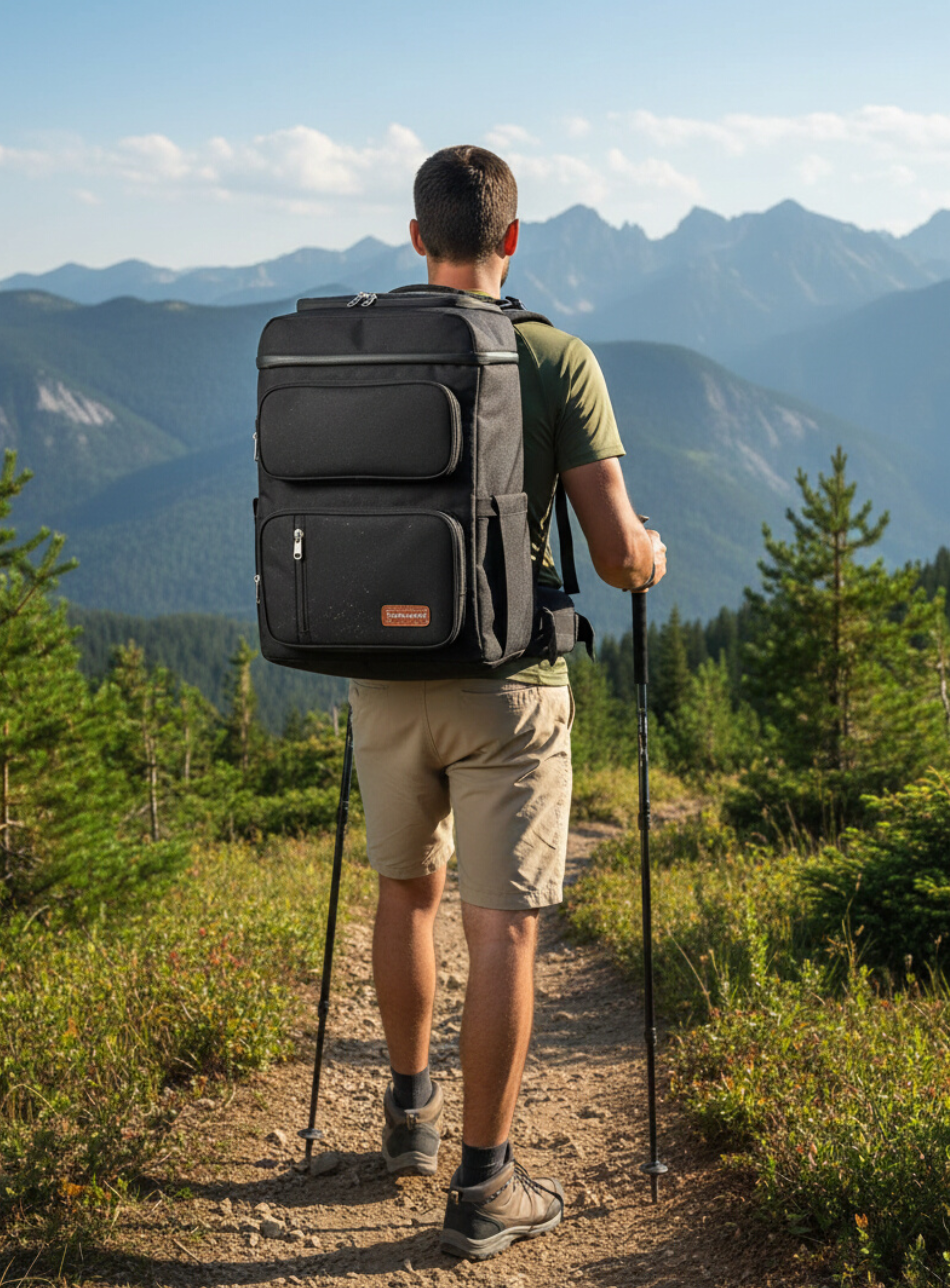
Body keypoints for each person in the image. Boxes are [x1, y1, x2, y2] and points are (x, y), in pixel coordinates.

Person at [350, 144, 667, 1262]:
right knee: (503, 930)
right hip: (508, 686)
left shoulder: (359, 347)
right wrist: (649, 562)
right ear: (513, 240)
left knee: (405, 899)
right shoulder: (553, 356)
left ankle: (407, 1115)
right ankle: (485, 1184)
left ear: (415, 236)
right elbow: (618, 551)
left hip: (381, 683)